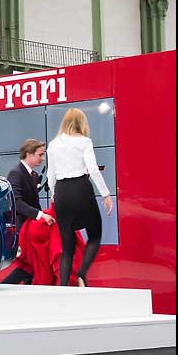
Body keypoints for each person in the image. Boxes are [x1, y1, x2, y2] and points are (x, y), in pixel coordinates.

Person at [47, 108, 113, 287]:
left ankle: (63, 289)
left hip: (61, 192)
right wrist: (105, 194)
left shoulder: (53, 145)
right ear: (81, 123)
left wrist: (54, 194)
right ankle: (82, 274)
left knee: (67, 248)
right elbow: (92, 170)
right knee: (95, 234)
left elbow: (50, 174)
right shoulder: (84, 142)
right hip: (81, 189)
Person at [0, 139, 55, 284]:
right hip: (21, 229)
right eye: (40, 155)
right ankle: (3, 288)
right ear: (29, 154)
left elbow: (35, 204)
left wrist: (43, 217)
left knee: (31, 266)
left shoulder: (34, 175)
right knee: (28, 266)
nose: (42, 159)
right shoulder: (15, 173)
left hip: (31, 229)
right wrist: (40, 215)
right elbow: (16, 202)